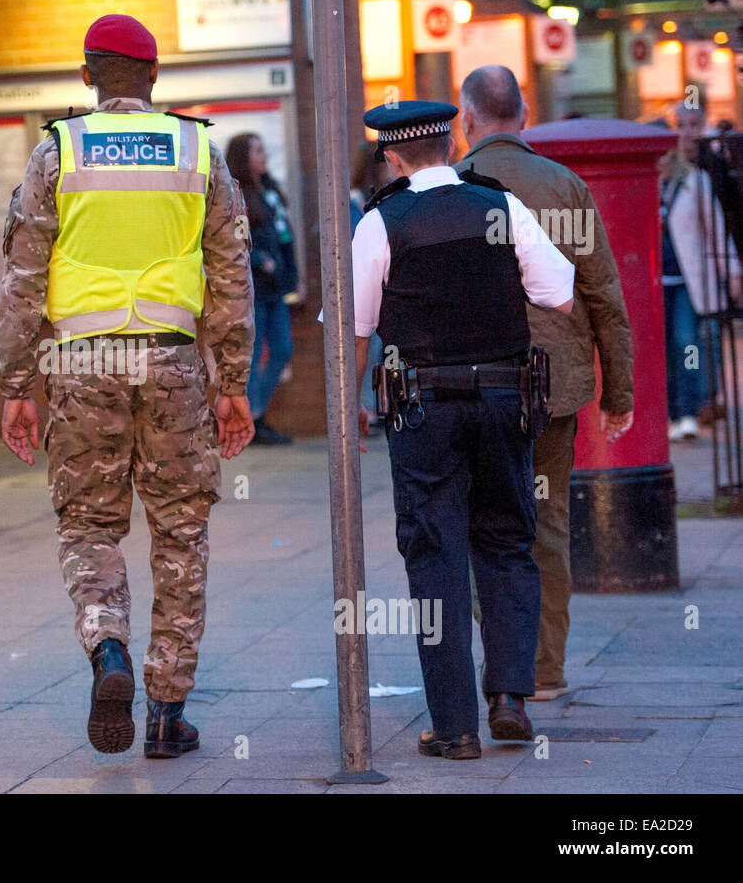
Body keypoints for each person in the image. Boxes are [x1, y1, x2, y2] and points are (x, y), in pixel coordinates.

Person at [0, 14, 255, 758]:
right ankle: (168, 713)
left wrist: (17, 383)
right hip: (173, 362)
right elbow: (231, 272)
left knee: (88, 525)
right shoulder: (197, 150)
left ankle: (107, 645)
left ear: (86, 75)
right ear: (154, 74)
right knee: (180, 532)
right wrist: (232, 380)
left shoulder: (56, 152)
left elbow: (22, 279)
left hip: (79, 366)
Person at [351, 100, 574, 759]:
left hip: (424, 411)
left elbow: (355, 327)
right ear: (451, 142)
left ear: (392, 155)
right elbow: (558, 291)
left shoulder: (382, 222)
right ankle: (509, 696)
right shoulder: (501, 207)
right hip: (507, 399)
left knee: (436, 557)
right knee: (508, 543)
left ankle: (454, 727)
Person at [458, 64, 634, 701]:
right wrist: (619, 392)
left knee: (484, 524)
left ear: (467, 119)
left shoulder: (453, 188)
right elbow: (603, 294)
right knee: (547, 526)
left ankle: (502, 665)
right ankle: (544, 671)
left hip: (474, 387)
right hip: (553, 389)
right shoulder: (567, 187)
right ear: (524, 115)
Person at [659, 103, 742, 440]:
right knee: (664, 349)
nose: (686, 133)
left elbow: (716, 229)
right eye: (679, 126)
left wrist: (732, 271)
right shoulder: (652, 182)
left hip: (688, 280)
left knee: (686, 344)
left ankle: (690, 409)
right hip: (655, 281)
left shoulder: (697, 180)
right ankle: (673, 413)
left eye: (693, 124)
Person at [225, 133, 297, 444]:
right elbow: (234, 240)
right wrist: (261, 260)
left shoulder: (270, 191)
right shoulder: (236, 195)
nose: (263, 154)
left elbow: (285, 234)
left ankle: (256, 411)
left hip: (277, 288)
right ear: (243, 157)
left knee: (282, 350)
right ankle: (253, 418)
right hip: (253, 289)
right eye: (257, 150)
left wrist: (292, 276)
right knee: (253, 355)